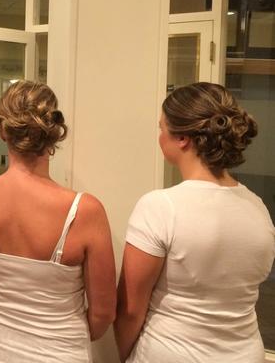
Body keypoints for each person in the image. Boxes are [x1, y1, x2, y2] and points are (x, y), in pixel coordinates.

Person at [115, 82, 275, 363]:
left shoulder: (160, 207)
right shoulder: (258, 208)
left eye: (161, 128)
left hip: (171, 355)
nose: (159, 137)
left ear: (182, 139)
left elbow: (130, 311)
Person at [0, 80, 117, 363]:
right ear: (53, 132)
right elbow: (103, 313)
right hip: (59, 355)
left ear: (2, 131)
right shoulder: (85, 211)